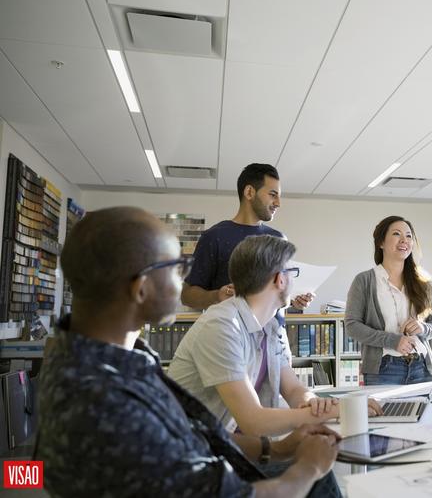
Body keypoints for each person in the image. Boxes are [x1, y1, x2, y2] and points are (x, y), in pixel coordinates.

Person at [37, 207, 342, 497]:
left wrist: (277, 449)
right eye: (176, 267)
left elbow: (194, 436)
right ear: (141, 288)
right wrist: (309, 466)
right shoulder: (101, 398)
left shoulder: (123, 357)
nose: (184, 281)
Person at [168, 234, 381, 436]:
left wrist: (318, 404)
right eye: (293, 272)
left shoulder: (271, 327)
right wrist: (338, 411)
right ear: (280, 279)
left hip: (233, 445)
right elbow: (253, 421)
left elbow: (294, 389)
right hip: (194, 453)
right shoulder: (222, 326)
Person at [181, 163, 313, 313]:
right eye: (272, 194)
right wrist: (217, 296)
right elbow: (187, 296)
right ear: (249, 192)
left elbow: (277, 296)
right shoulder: (214, 237)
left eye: (279, 196)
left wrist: (293, 301)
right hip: (232, 333)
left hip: (275, 335)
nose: (278, 203)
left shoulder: (279, 239)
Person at [344, 216, 432, 385]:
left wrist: (422, 327)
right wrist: (392, 341)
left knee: (422, 412)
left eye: (409, 236)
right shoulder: (364, 280)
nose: (404, 240)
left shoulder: (422, 282)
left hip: (421, 366)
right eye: (397, 234)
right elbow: (352, 326)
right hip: (383, 369)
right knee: (386, 413)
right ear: (381, 242)